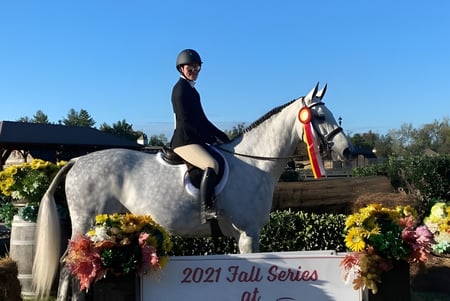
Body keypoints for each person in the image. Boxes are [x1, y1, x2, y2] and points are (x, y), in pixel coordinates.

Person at [170, 49, 230, 223]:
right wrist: (208, 138)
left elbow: (203, 120)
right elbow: (186, 122)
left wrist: (222, 136)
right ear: (181, 69)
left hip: (193, 138)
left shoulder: (192, 91)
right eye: (191, 68)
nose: (194, 71)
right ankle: (207, 209)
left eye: (197, 68)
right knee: (211, 164)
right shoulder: (180, 90)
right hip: (184, 141)